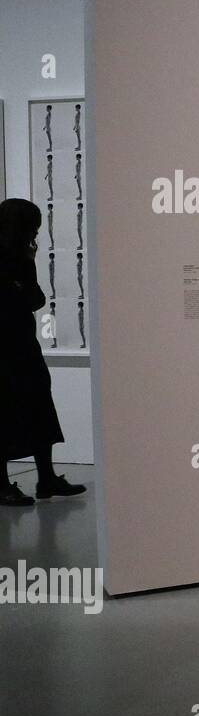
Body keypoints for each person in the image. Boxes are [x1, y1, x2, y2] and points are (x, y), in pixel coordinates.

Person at [0, 198, 87, 506]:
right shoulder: (16, 259)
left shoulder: (19, 259)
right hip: (12, 347)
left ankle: (45, 478)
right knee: (20, 408)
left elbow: (32, 298)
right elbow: (33, 299)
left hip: (20, 346)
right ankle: (28, 481)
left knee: (36, 406)